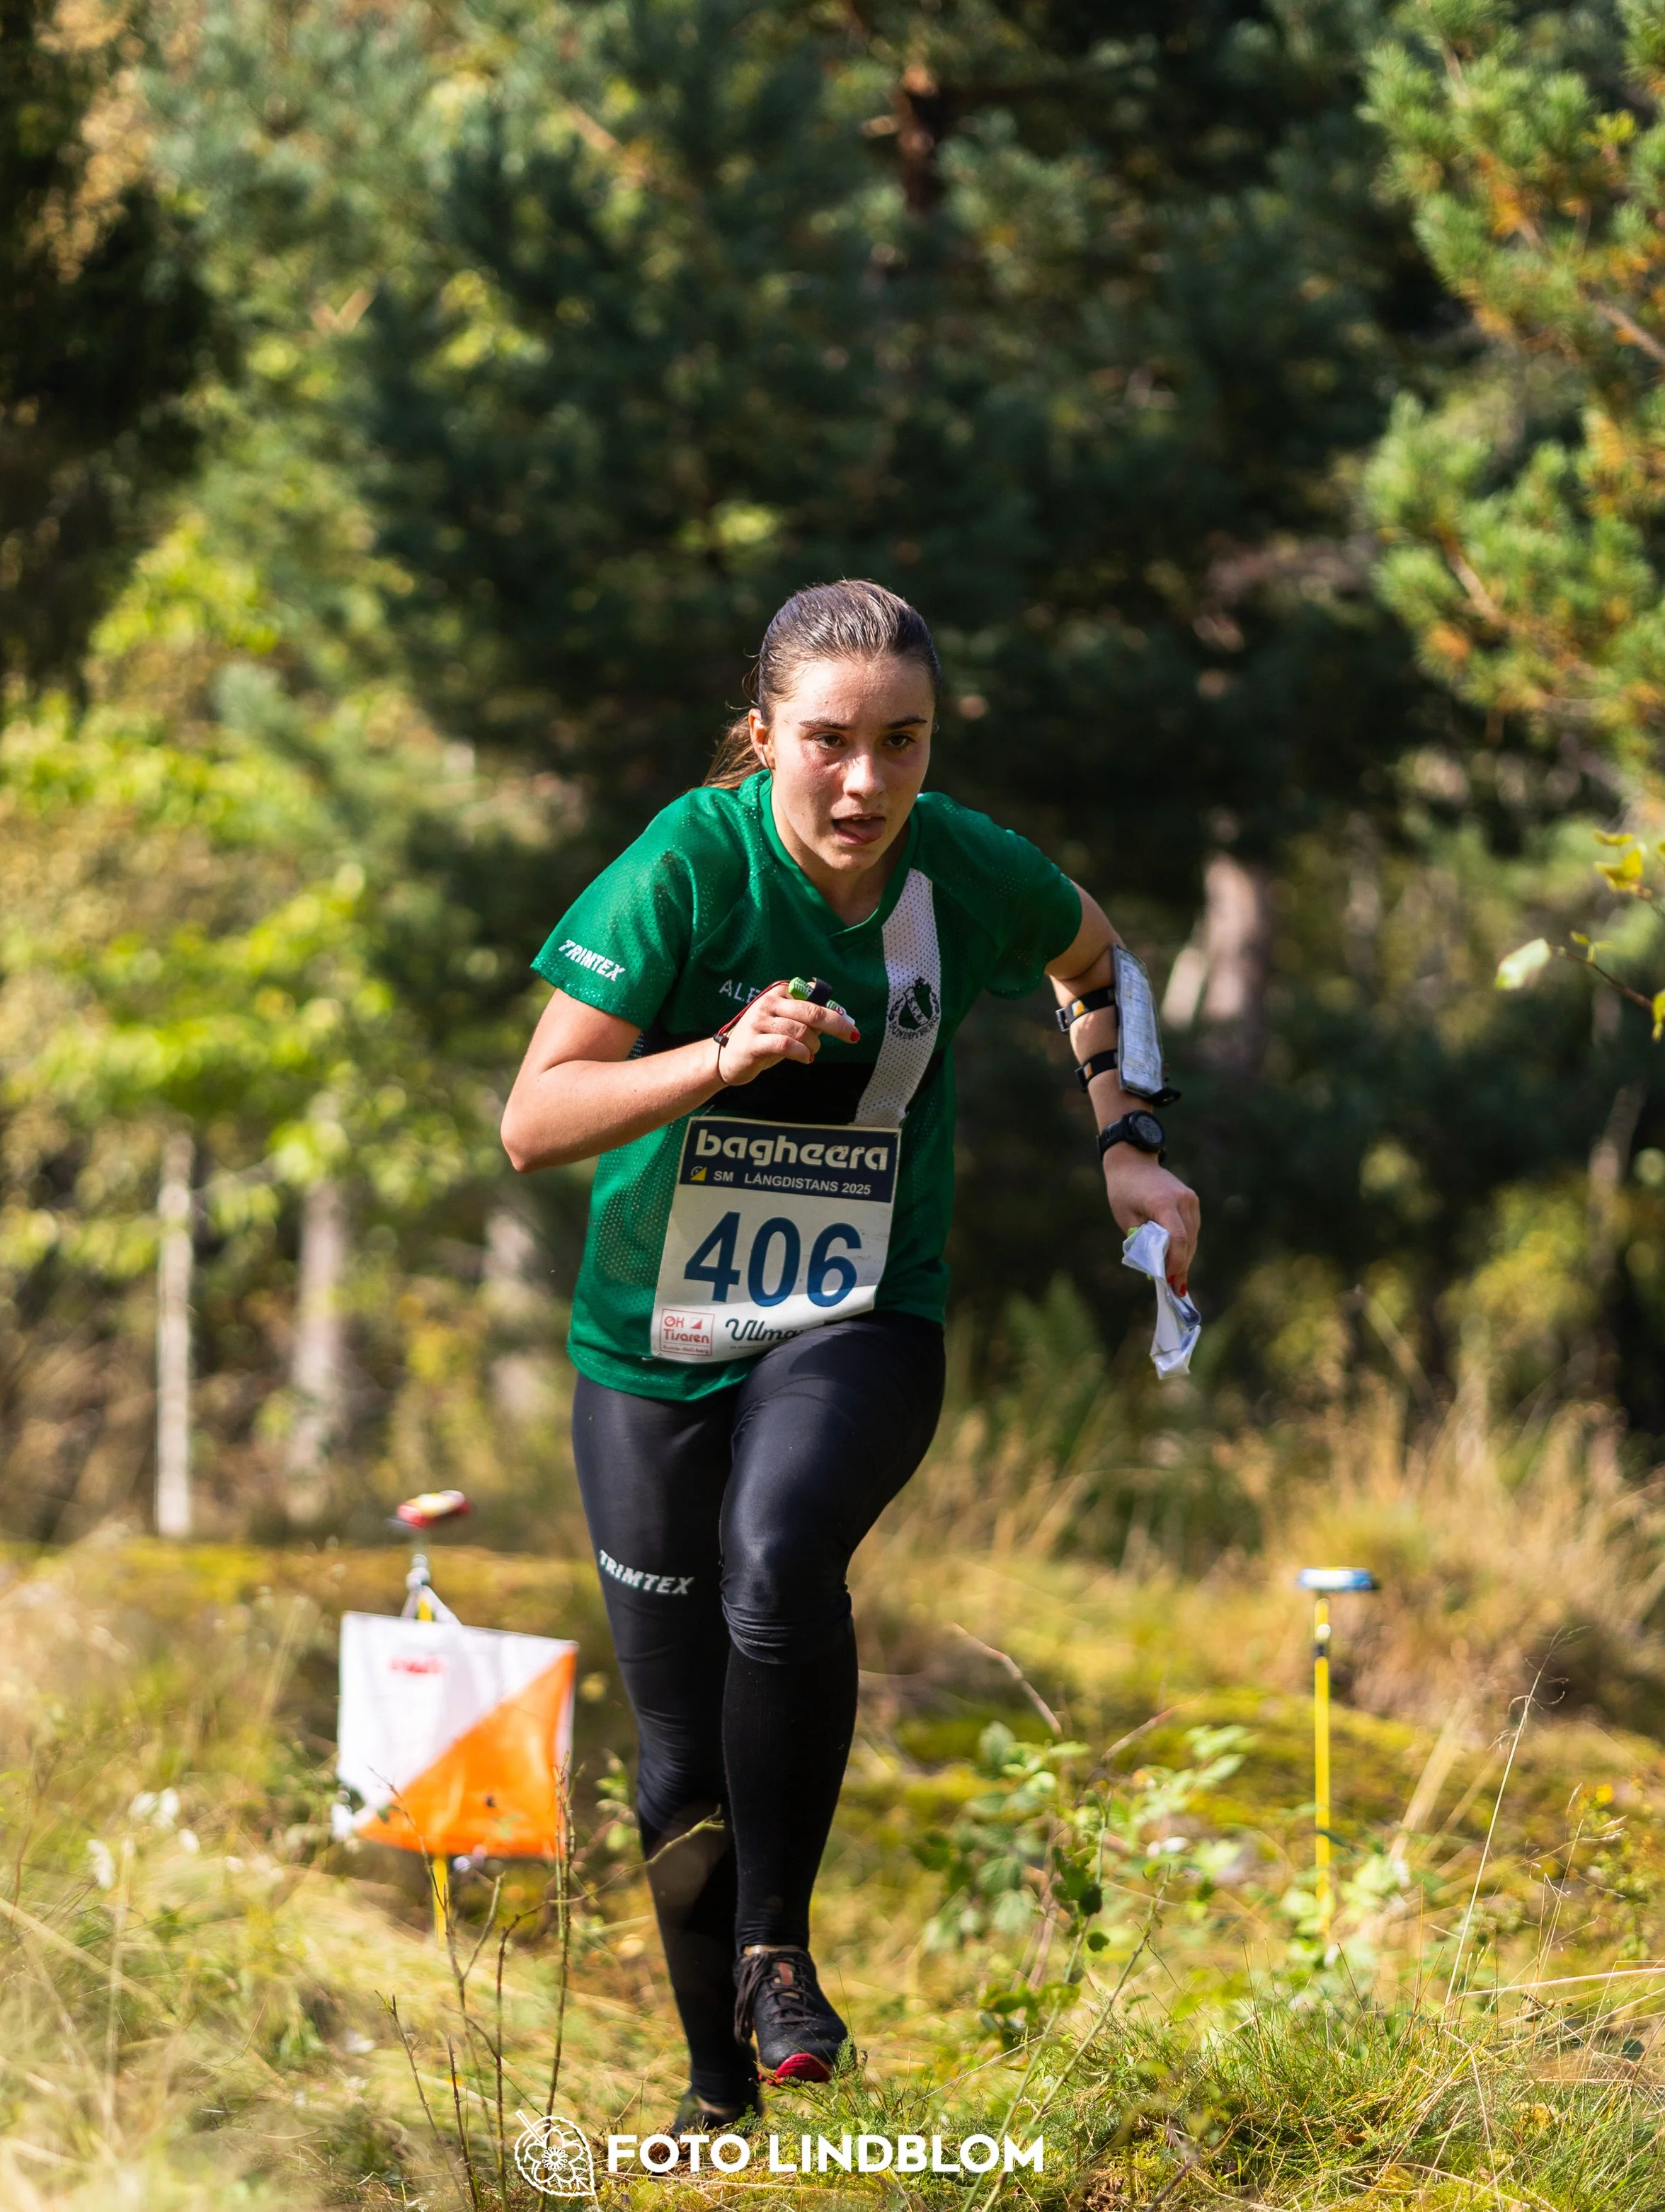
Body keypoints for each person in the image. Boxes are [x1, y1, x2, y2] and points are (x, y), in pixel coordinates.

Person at [500, 580, 1200, 2130]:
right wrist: (719, 1055)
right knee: (675, 1754)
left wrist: (1129, 1146)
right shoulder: (685, 866)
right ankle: (716, 2100)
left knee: (777, 1556)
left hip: (859, 1312)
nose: (867, 781)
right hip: (652, 1345)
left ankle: (776, 1949)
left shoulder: (963, 867)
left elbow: (1103, 969)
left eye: (905, 741)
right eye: (829, 741)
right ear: (763, 737)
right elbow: (531, 1121)